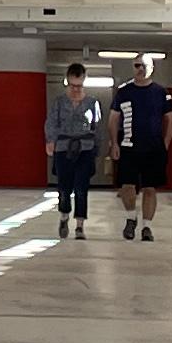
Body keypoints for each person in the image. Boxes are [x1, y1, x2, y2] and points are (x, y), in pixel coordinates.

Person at [112, 52, 172, 241]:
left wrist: (165, 143)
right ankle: (131, 217)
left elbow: (171, 119)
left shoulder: (160, 93)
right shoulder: (124, 92)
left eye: (144, 66)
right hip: (129, 146)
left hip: (153, 149)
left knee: (150, 188)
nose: (140, 69)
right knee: (127, 186)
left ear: (152, 68)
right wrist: (114, 143)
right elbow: (114, 118)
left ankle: (147, 227)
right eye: (137, 65)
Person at [46, 59, 103, 234]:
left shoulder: (92, 103)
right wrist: (50, 141)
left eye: (79, 85)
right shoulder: (59, 102)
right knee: (64, 188)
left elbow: (97, 127)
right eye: (73, 85)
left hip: (85, 148)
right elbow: (51, 123)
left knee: (81, 187)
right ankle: (64, 216)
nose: (76, 89)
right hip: (63, 148)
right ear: (67, 82)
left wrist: (97, 149)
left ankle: (80, 225)